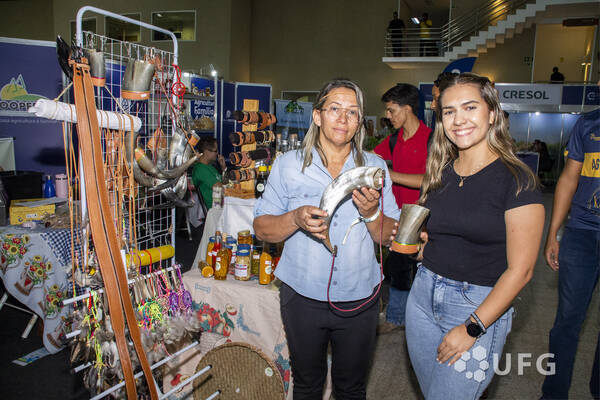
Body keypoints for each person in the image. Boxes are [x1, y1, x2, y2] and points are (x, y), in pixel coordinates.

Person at [254, 78, 400, 399]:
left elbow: (390, 237)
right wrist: (294, 218)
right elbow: (262, 228)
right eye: (334, 109)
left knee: (352, 388)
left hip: (359, 296)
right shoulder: (288, 165)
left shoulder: (375, 167)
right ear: (317, 116)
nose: (343, 119)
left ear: (360, 121)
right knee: (307, 384)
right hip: (302, 295)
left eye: (352, 112)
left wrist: (372, 213)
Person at [405, 72, 545, 399]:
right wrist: (422, 248)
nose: (459, 120)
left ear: (492, 114)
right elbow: (441, 236)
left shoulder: (517, 180)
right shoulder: (442, 173)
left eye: (470, 107)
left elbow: (521, 270)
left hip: (476, 306)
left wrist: (472, 327)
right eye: (449, 111)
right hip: (422, 298)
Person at [541, 107, 600, 400]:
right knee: (567, 321)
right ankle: (553, 394)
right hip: (581, 233)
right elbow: (568, 178)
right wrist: (553, 232)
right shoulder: (587, 123)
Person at [373, 83, 431, 334]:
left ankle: (408, 318)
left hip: (422, 214)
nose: (388, 116)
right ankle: (398, 316)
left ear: (407, 109)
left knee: (417, 268)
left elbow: (431, 180)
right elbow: (372, 157)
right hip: (396, 214)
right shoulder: (394, 140)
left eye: (392, 110)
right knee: (399, 265)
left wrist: (390, 174)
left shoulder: (431, 139)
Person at [191, 136, 226, 209]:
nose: (217, 153)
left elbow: (225, 183)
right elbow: (220, 188)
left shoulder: (209, 167)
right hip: (216, 209)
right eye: (215, 151)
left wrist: (223, 168)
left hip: (223, 205)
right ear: (206, 152)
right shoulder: (200, 169)